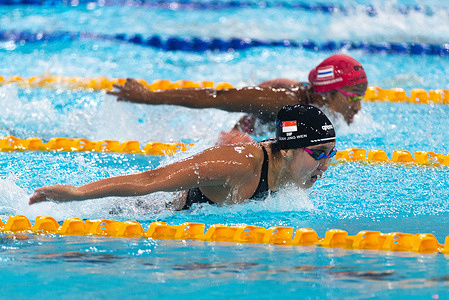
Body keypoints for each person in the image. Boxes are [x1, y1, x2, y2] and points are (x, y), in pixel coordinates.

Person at [29, 105, 337, 210]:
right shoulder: (237, 164)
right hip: (146, 212)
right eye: (318, 154)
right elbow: (150, 181)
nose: (325, 165)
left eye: (331, 154)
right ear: (290, 149)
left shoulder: (293, 170)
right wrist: (78, 193)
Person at [107, 54, 368, 138]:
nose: (358, 106)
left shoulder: (321, 106)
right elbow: (216, 97)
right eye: (354, 96)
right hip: (239, 143)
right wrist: (148, 96)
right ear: (329, 92)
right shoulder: (283, 102)